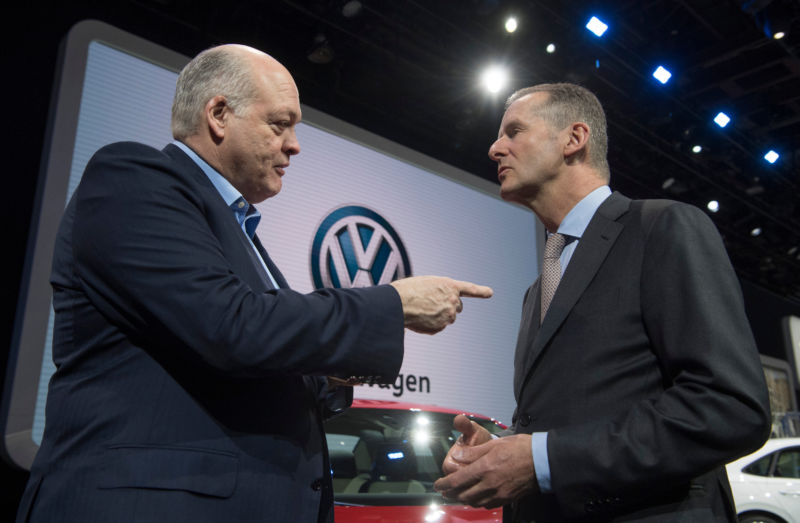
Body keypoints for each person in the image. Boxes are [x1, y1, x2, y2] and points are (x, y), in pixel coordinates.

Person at [16, 44, 492, 523]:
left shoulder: (238, 232)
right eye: (279, 124)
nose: (294, 144)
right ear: (219, 114)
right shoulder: (134, 178)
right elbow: (231, 327)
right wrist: (391, 303)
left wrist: (326, 376)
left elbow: (234, 349)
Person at [433, 83, 771, 522]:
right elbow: (571, 418)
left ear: (574, 139)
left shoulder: (662, 228)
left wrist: (542, 460)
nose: (496, 148)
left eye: (513, 131)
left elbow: (730, 407)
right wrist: (501, 454)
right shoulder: (538, 290)